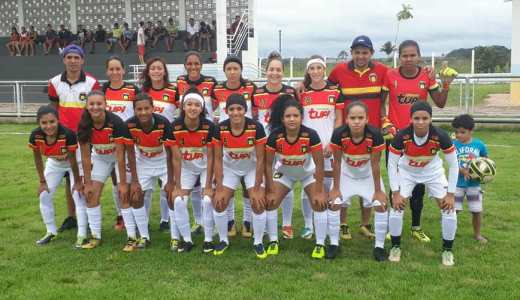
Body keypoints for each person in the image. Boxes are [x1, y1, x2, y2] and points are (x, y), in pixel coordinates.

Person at [381, 40, 452, 243]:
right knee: (395, 181)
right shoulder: (390, 75)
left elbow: (440, 102)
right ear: (400, 57)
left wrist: (445, 84)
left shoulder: (426, 75)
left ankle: (416, 226)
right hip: (396, 138)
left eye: (413, 55)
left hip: (421, 138)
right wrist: (385, 121)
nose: (409, 59)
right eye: (405, 55)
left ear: (419, 56)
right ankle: (391, 225)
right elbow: (381, 103)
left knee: (419, 184)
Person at [327, 35, 389, 240]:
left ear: (371, 53)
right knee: (345, 175)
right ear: (351, 52)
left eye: (365, 52)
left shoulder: (382, 71)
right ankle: (343, 223)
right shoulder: (338, 71)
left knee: (369, 175)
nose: (360, 56)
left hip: (373, 134)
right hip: (347, 134)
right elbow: (324, 89)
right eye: (357, 52)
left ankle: (365, 223)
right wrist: (304, 82)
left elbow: (393, 89)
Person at [387, 101, 459, 266]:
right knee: (397, 207)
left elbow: (454, 164)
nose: (420, 122)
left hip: (433, 173)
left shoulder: (441, 136)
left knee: (448, 209)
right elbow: (391, 165)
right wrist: (396, 193)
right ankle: (395, 247)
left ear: (431, 119)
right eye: (416, 118)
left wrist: (451, 194)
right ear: (410, 119)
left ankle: (447, 250)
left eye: (424, 118)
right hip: (407, 173)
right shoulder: (401, 137)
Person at [264, 94, 328, 258]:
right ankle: (273, 240)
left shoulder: (311, 135)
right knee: (270, 202)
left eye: (295, 115)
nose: (292, 119)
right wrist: (270, 188)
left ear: (301, 117)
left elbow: (319, 164)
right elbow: (268, 164)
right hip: (285, 174)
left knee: (319, 203)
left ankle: (320, 244)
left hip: (307, 174)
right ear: (282, 119)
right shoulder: (275, 136)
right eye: (288, 116)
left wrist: (320, 190)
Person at [48, 44, 100, 232]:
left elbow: (96, 110)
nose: (72, 61)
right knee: (68, 179)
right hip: (63, 139)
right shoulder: (54, 82)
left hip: (85, 139)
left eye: (76, 58)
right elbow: (53, 111)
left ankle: (87, 217)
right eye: (69, 57)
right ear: (64, 60)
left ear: (82, 60)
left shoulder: (92, 83)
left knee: (86, 179)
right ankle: (72, 217)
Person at [329, 102, 387, 261]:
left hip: (367, 176)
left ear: (367, 119)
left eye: (360, 118)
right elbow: (337, 162)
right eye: (352, 118)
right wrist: (335, 188)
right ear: (346, 119)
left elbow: (375, 164)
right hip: (346, 175)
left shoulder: (375, 134)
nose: (356, 121)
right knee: (334, 203)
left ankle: (379, 247)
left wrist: (378, 190)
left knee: (381, 205)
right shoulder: (339, 134)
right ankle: (334, 243)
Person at [297, 55, 344, 243]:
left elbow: (339, 120)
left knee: (331, 185)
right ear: (308, 71)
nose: (315, 71)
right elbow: (300, 121)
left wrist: (333, 143)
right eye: (312, 68)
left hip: (329, 147)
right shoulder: (303, 94)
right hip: (309, 148)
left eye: (319, 68)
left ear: (324, 70)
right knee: (308, 186)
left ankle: (333, 224)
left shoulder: (335, 92)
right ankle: (309, 225)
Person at [213, 94, 266, 255]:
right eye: (232, 109)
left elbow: (261, 159)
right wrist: (220, 185)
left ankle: (258, 241)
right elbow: (217, 158)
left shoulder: (256, 127)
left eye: (239, 109)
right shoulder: (220, 128)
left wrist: (257, 187)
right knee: (220, 201)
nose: (236, 112)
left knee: (258, 202)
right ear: (226, 111)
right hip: (230, 168)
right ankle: (223, 239)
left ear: (245, 110)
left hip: (251, 167)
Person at [122, 93, 175, 251]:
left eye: (146, 108)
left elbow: (170, 152)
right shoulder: (129, 124)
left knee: (172, 196)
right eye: (139, 109)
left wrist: (171, 180)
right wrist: (135, 181)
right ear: (134, 110)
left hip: (163, 161)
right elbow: (130, 152)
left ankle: (175, 236)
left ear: (152, 108)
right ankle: (144, 236)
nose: (143, 112)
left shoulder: (163, 123)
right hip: (143, 162)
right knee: (136, 197)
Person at [168, 88, 218, 253]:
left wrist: (209, 185)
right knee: (178, 200)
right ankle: (187, 240)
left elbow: (211, 158)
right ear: (183, 107)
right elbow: (175, 158)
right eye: (189, 104)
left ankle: (208, 239)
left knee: (207, 200)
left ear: (202, 108)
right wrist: (177, 185)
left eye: (197, 105)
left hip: (205, 167)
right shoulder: (174, 126)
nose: (193, 108)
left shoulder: (209, 126)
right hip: (186, 167)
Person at [77, 91, 129, 249]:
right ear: (86, 106)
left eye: (99, 104)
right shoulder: (84, 124)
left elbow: (120, 155)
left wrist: (122, 182)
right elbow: (86, 157)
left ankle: (132, 236)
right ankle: (95, 236)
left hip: (119, 157)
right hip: (100, 158)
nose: (95, 107)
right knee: (91, 194)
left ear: (105, 105)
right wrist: (87, 182)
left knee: (123, 193)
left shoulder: (116, 122)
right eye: (91, 104)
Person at [213, 56, 257, 237]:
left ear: (241, 70)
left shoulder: (251, 88)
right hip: (224, 142)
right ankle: (230, 221)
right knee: (226, 187)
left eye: (235, 68)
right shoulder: (216, 89)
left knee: (248, 186)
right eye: (229, 69)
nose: (232, 72)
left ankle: (247, 221)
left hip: (247, 141)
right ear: (224, 71)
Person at [28, 106, 83, 246]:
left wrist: (77, 182)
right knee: (44, 194)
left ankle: (82, 234)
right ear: (38, 123)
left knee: (78, 194)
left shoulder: (68, 134)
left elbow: (72, 160)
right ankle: (51, 232)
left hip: (75, 163)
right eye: (44, 123)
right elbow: (38, 158)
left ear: (58, 121)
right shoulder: (35, 135)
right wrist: (42, 181)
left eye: (52, 121)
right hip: (54, 163)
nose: (49, 126)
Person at [176, 51, 217, 234]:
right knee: (191, 188)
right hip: (186, 132)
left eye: (196, 63)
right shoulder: (178, 82)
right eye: (190, 63)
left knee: (206, 188)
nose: (193, 67)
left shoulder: (211, 82)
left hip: (205, 131)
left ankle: (211, 225)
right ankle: (198, 221)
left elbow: (219, 101)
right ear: (185, 65)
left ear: (201, 65)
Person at [140, 57, 178, 230]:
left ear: (164, 71)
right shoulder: (143, 92)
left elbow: (184, 112)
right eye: (152, 68)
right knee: (145, 187)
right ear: (148, 72)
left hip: (167, 144)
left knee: (166, 185)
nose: (156, 71)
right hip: (145, 146)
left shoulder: (173, 90)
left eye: (159, 68)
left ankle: (165, 219)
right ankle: (144, 220)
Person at [102, 56, 140, 230]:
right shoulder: (102, 90)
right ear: (107, 71)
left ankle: (131, 213)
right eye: (111, 69)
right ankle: (121, 215)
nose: (115, 72)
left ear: (124, 70)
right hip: (106, 144)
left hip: (127, 144)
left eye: (118, 69)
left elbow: (141, 113)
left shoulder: (133, 89)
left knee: (125, 181)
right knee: (115, 181)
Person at [451, 114, 489, 243]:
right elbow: (451, 163)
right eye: (456, 132)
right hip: (457, 184)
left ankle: (477, 234)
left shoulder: (479, 145)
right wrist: (461, 170)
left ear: (471, 131)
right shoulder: (453, 145)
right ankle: (451, 233)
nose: (459, 135)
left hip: (474, 185)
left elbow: (485, 160)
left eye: (462, 132)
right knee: (453, 210)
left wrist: (482, 171)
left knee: (476, 210)